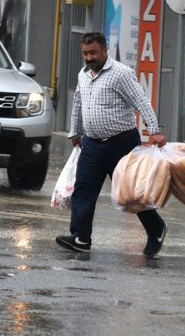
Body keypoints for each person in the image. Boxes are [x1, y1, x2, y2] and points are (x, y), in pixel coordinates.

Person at [56, 31, 168, 257]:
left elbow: (141, 101)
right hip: (92, 145)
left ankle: (156, 229)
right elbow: (79, 102)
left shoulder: (121, 74)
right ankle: (81, 237)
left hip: (122, 144)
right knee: (83, 191)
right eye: (86, 53)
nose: (89, 58)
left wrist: (154, 130)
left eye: (93, 52)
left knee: (131, 195)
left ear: (105, 50)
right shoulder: (83, 74)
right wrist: (75, 131)